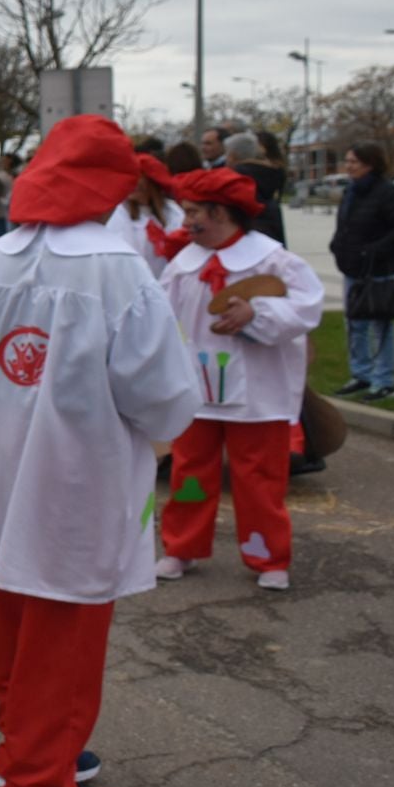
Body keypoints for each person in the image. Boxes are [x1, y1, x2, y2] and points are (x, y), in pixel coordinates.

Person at [0, 113, 199, 787]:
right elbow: (160, 391)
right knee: (66, 622)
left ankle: (27, 747)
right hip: (75, 471)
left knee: (13, 612)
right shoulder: (115, 270)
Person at [157, 168, 324, 591]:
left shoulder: (274, 261)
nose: (185, 222)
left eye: (193, 212)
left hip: (258, 393)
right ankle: (181, 546)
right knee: (189, 475)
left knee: (260, 480)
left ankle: (269, 557)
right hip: (197, 390)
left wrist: (257, 313)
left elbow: (308, 307)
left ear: (220, 212)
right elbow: (160, 315)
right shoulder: (183, 265)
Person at [329, 142, 394, 402]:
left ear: (370, 164)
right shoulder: (351, 191)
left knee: (381, 326)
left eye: (354, 161)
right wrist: (338, 244)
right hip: (353, 267)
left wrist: (376, 250)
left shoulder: (386, 192)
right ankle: (361, 374)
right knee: (354, 323)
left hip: (380, 270)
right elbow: (345, 224)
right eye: (347, 161)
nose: (348, 166)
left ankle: (384, 380)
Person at [109, 154, 186, 279]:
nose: (130, 183)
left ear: (151, 181)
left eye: (137, 177)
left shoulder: (172, 211)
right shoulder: (120, 212)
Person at [227, 131, 286, 243]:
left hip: (248, 235)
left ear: (233, 155)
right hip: (271, 230)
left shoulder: (237, 177)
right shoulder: (273, 172)